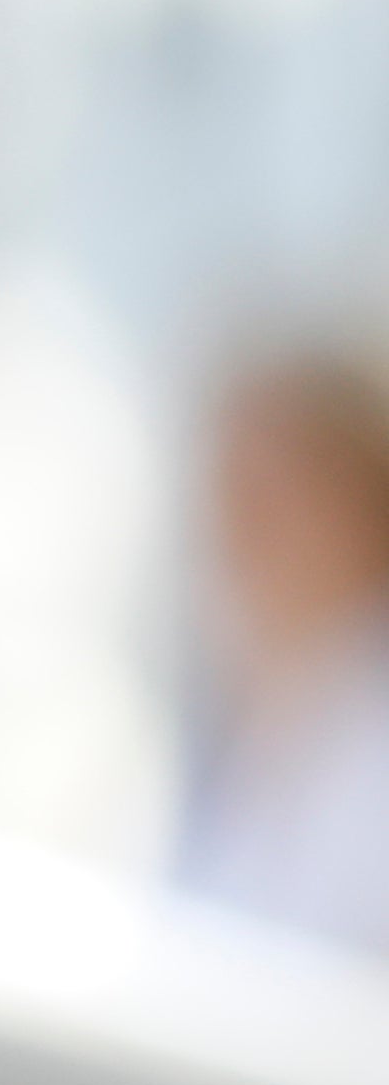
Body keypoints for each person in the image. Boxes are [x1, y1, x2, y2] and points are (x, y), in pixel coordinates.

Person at [174, 343, 389, 962]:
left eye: (271, 495)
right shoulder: (243, 708)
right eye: (229, 489)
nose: (239, 528)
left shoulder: (367, 729)